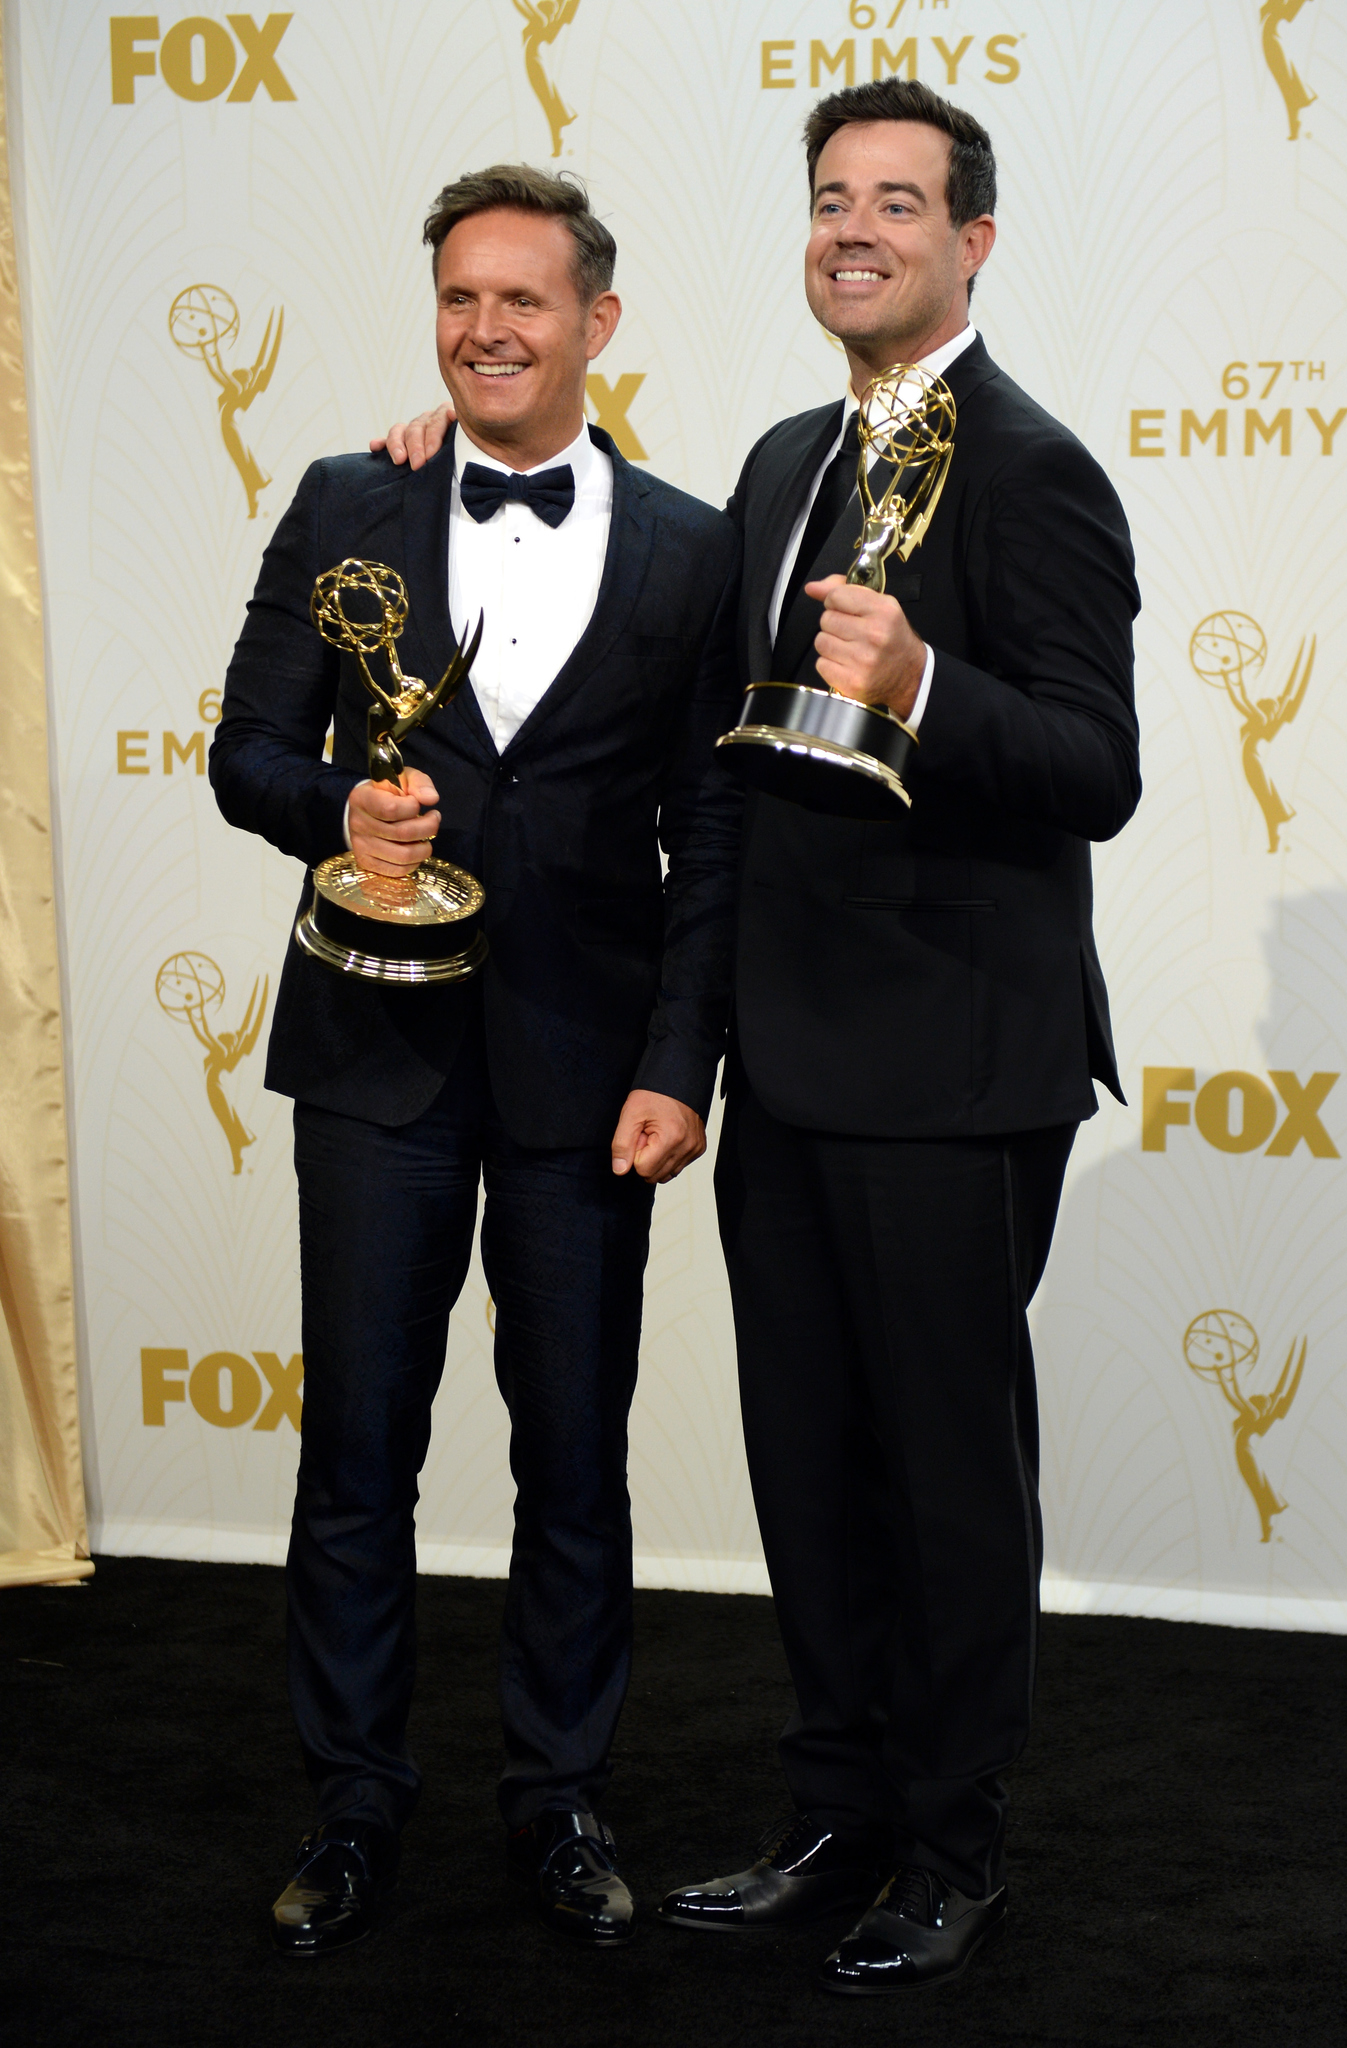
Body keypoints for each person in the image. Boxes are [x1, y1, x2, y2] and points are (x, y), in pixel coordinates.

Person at [381, 78, 1140, 1998]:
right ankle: (833, 1810)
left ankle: (953, 1842)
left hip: (956, 1072)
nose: (853, 228)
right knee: (805, 1465)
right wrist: (436, 457)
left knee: (942, 1478)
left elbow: (1097, 769)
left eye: (897, 199)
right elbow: (712, 783)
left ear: (974, 240)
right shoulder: (788, 450)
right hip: (787, 1065)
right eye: (828, 199)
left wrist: (926, 681)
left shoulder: (1036, 467)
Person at [209, 164, 741, 1956]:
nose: (487, 327)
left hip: (590, 1078)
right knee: (357, 1454)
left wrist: (684, 1061)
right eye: (459, 298)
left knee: (572, 1458)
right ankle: (353, 1809)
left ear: (599, 320)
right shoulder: (354, 498)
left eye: (523, 298)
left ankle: (558, 1796)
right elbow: (245, 749)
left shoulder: (691, 543)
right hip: (376, 1054)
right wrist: (334, 809)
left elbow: (711, 832)